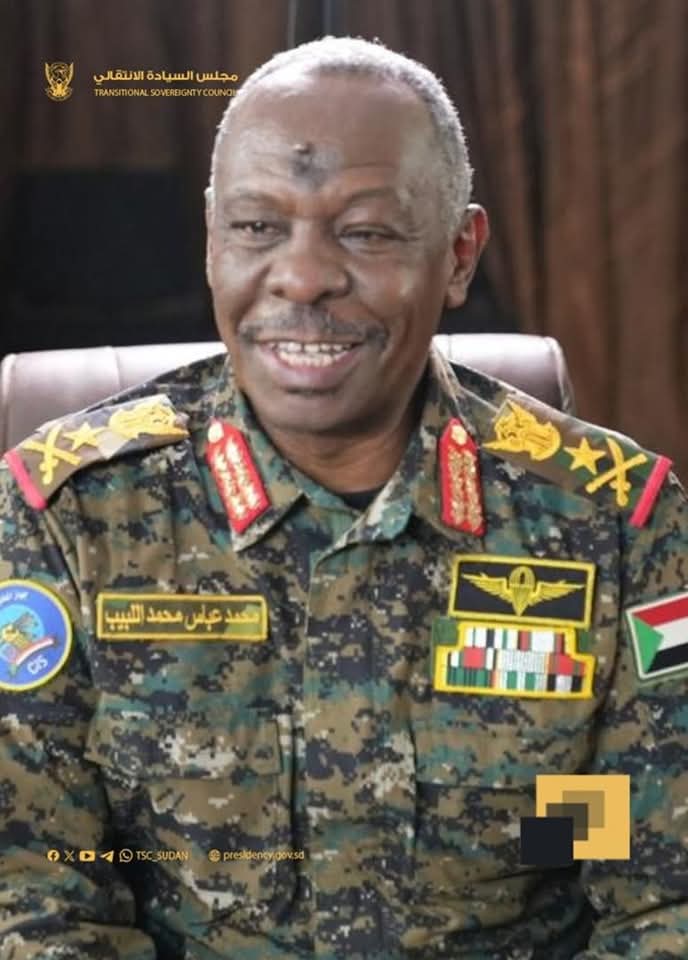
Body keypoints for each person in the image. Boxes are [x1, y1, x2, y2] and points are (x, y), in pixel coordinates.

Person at [0, 35, 686, 960]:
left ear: (458, 254)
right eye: (256, 227)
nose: (304, 276)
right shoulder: (69, 519)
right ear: (211, 240)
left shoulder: (617, 528)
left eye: (365, 233)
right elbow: (35, 900)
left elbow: (659, 898)